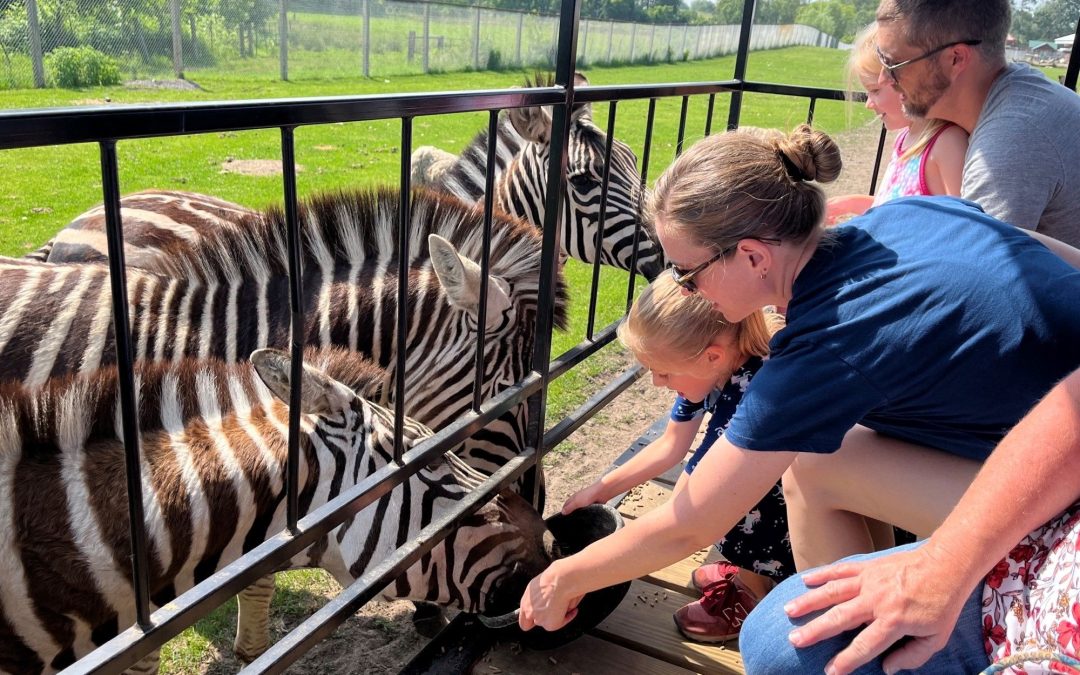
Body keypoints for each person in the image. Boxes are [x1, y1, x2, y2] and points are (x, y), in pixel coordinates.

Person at [516, 124, 1080, 640]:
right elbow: (1052, 257)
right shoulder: (898, 215)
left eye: (685, 272)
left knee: (811, 472)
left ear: (755, 257)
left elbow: (690, 525)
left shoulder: (825, 344)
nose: (682, 288)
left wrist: (564, 577)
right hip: (1052, 443)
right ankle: (874, 596)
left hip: (1064, 507)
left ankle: (854, 644)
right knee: (830, 453)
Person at [740, 366, 1080, 675]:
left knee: (812, 466)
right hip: (1039, 577)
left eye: (694, 289)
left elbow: (698, 518)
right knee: (783, 640)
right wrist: (941, 567)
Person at [562, 274, 792, 642]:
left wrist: (587, 570)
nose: (657, 382)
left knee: (730, 496)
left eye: (664, 372)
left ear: (711, 355)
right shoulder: (713, 362)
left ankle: (754, 586)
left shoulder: (749, 391)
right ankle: (755, 568)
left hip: (794, 508)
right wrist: (601, 490)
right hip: (789, 488)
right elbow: (671, 443)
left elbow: (688, 505)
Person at [874, 0, 1080, 247]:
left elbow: (967, 271)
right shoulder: (1015, 97)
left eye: (893, 64)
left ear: (956, 59)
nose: (883, 78)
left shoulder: (1012, 140)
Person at [826, 23, 968, 225]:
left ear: (906, 82)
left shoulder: (947, 144)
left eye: (874, 91)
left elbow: (966, 228)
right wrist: (851, 204)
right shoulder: (905, 138)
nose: (868, 104)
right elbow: (897, 209)